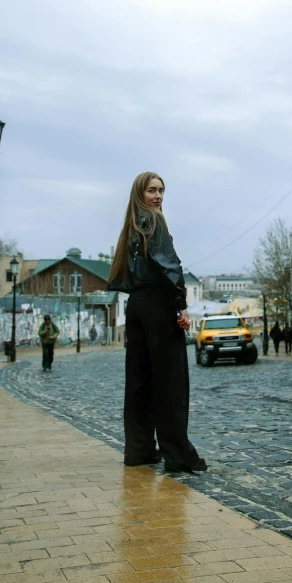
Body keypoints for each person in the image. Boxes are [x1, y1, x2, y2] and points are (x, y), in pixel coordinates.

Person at [108, 171, 207, 473]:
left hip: (136, 306)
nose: (158, 196)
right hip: (158, 306)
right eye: (151, 190)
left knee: (139, 382)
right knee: (170, 383)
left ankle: (138, 450)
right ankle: (177, 455)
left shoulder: (133, 223)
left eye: (161, 190)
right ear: (140, 192)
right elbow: (169, 265)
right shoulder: (154, 220)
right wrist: (181, 306)